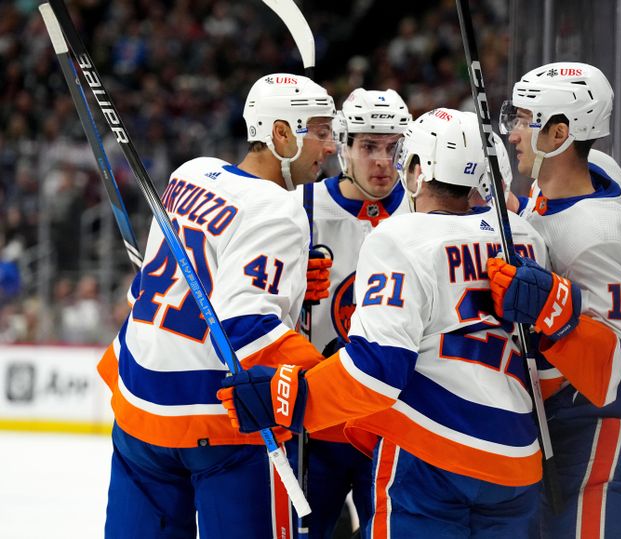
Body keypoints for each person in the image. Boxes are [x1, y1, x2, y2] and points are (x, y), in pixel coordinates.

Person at [219, 108, 553, 537]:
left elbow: (377, 371)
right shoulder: (523, 237)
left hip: (431, 457)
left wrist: (286, 397)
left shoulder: (400, 238)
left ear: (418, 169)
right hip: (518, 458)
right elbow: (546, 366)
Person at [97, 73, 336, 539]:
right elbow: (248, 327)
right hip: (216, 422)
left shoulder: (188, 173)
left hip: (137, 407)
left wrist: (289, 287)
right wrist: (331, 385)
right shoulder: (279, 208)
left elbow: (144, 288)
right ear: (281, 133)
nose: (330, 147)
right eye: (321, 132)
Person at [491, 62, 621, 538]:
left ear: (559, 134)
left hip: (605, 427)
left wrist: (554, 311)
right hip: (569, 419)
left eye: (524, 119)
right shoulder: (587, 173)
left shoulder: (597, 235)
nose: (512, 133)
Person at [290, 88, 411, 538]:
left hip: (389, 422)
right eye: (368, 147)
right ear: (343, 147)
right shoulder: (300, 208)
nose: (382, 161)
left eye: (392, 148)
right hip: (315, 421)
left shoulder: (422, 210)